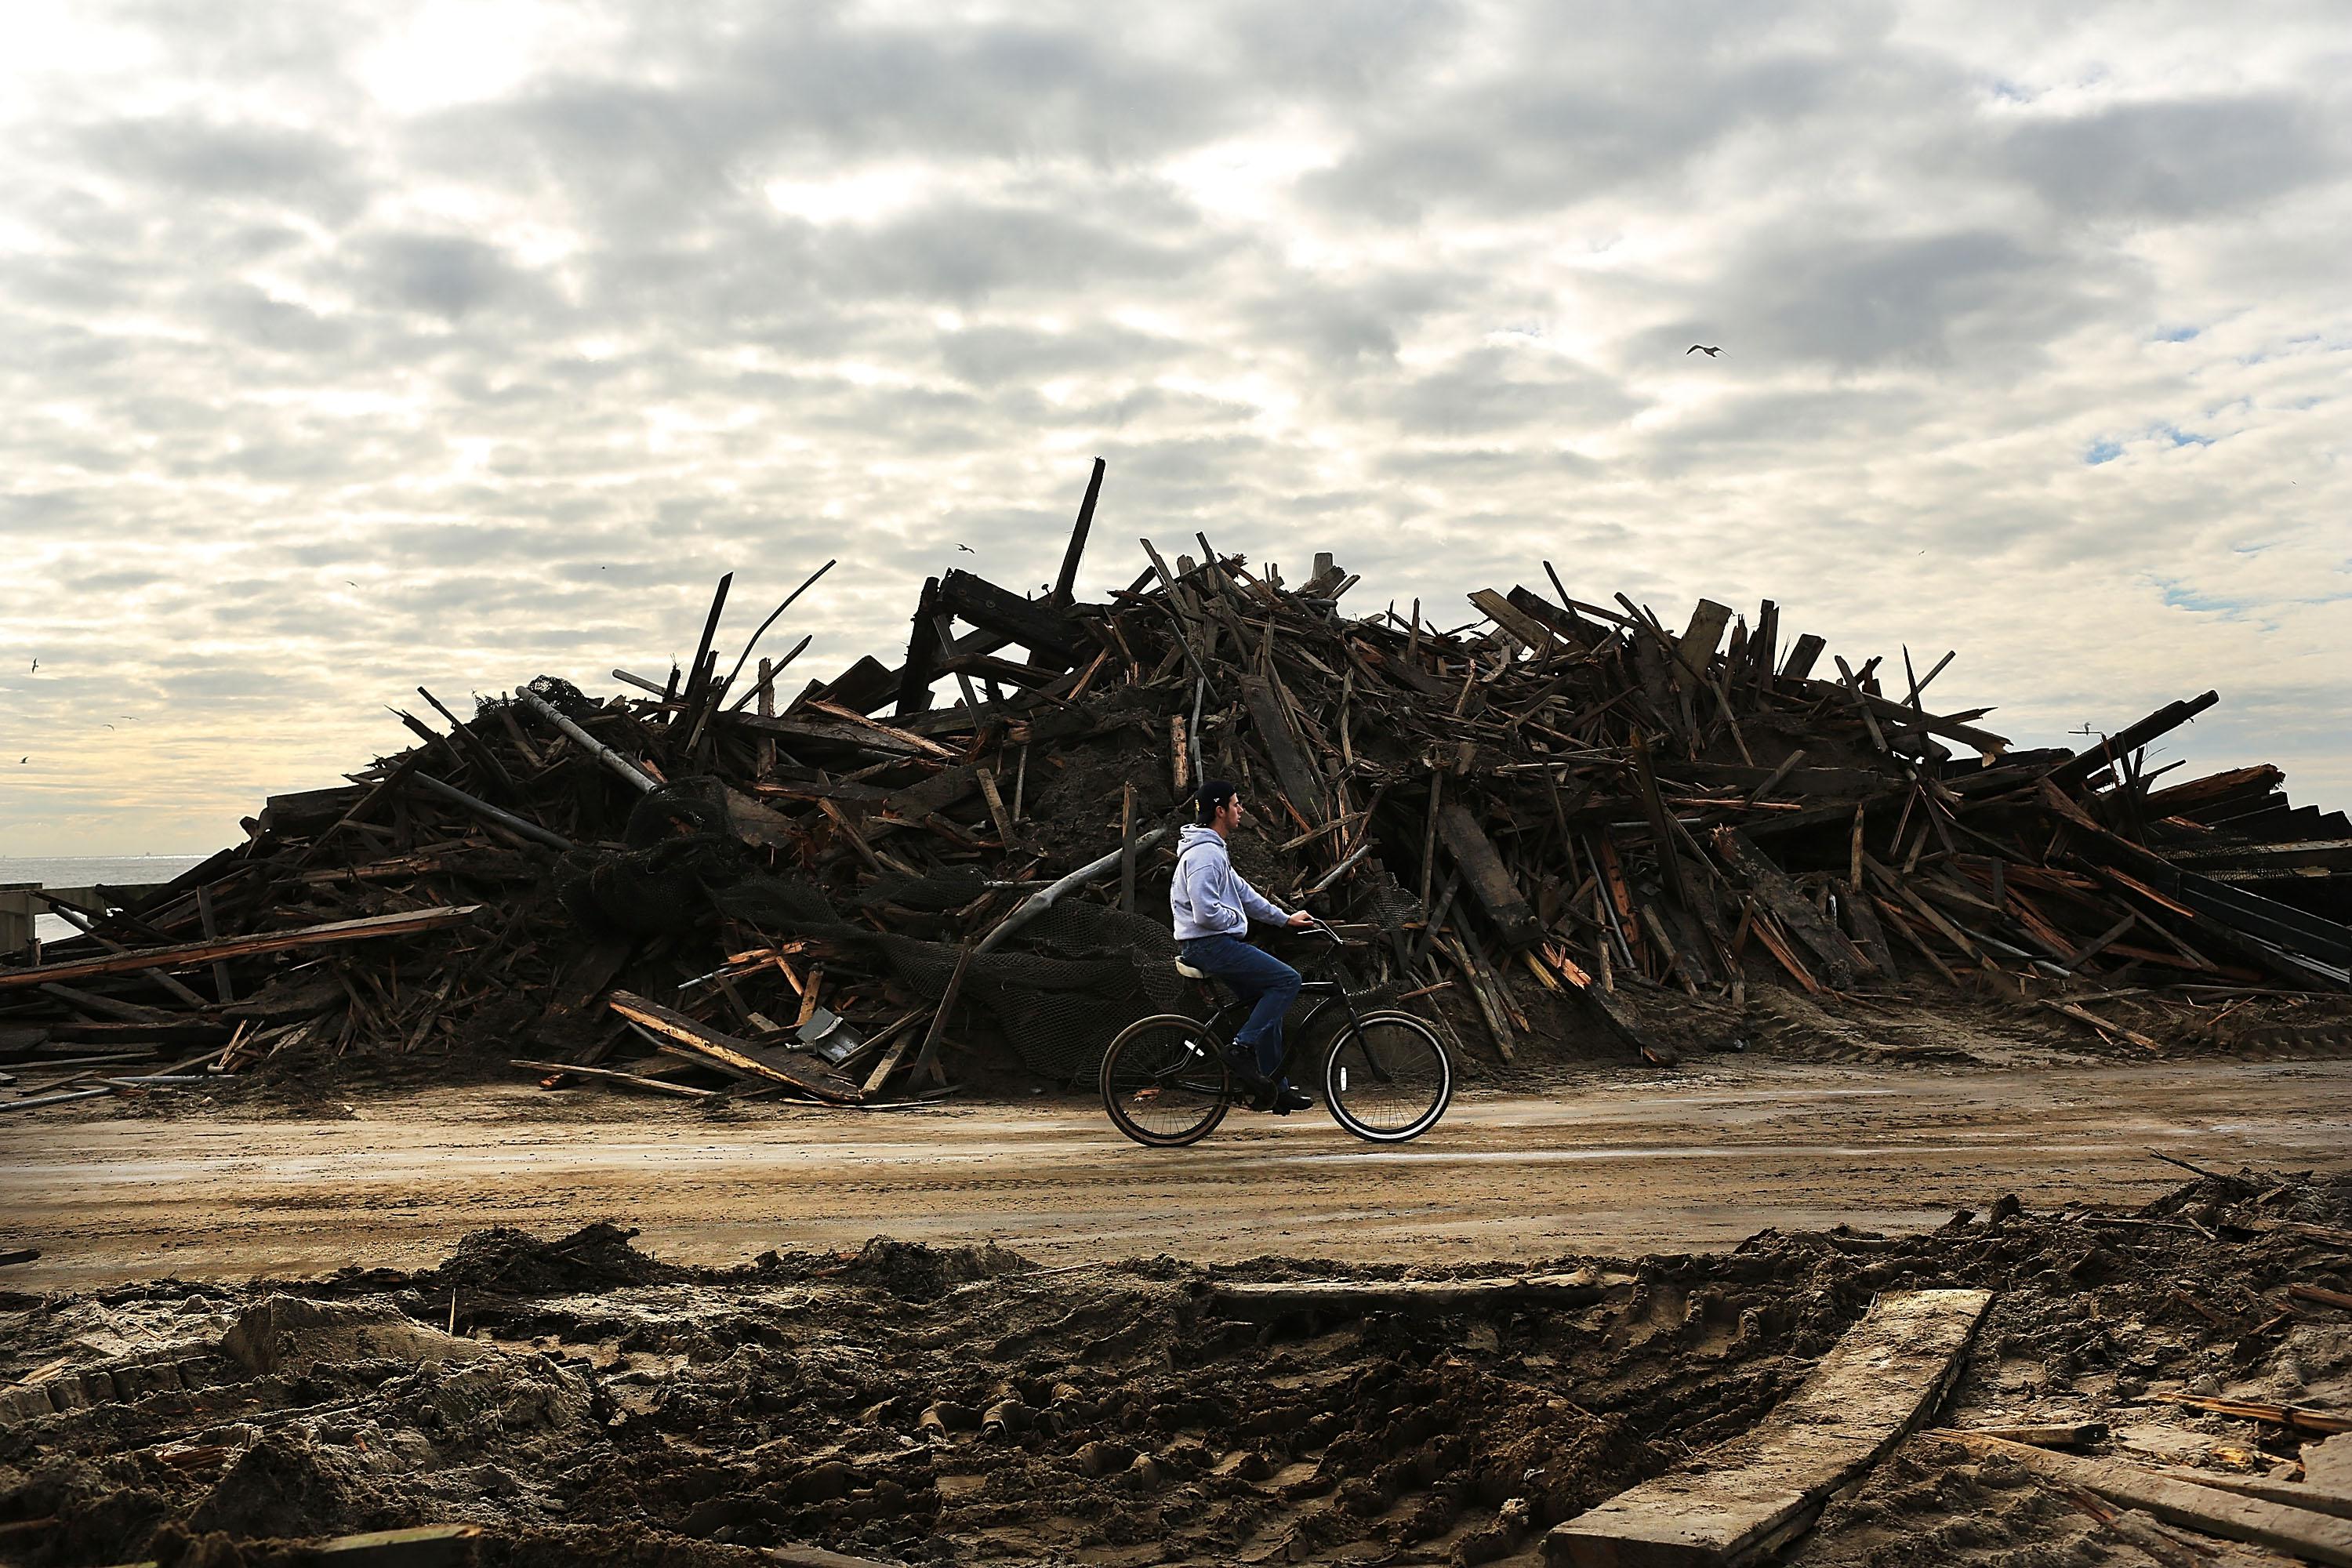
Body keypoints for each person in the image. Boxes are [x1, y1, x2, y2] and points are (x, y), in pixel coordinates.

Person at [1170, 780, 1317, 1114]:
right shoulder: (1205, 855)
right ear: (1220, 810)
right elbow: (1206, 913)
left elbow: (1245, 893)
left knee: (1267, 1003)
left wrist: (1285, 919)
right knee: (1287, 981)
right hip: (1208, 945)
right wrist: (1237, 922)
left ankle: (1273, 1088)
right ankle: (1240, 1049)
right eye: (1236, 805)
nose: (1241, 810)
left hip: (1213, 943)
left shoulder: (1214, 850)